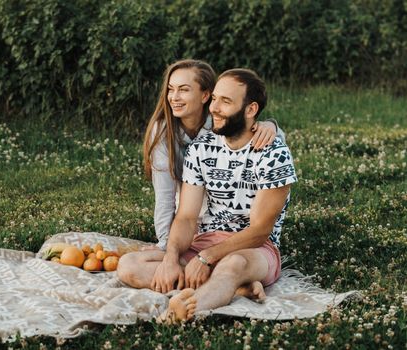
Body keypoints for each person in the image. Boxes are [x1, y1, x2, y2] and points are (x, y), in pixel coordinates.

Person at [118, 68, 297, 323]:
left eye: (226, 102)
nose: (215, 108)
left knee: (232, 265)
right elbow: (187, 216)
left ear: (250, 109)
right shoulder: (201, 148)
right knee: (129, 266)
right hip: (206, 240)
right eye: (215, 99)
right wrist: (170, 257)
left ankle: (181, 312)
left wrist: (206, 258)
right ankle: (235, 288)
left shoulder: (274, 154)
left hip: (254, 249)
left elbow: (260, 231)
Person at [142, 59, 285, 250]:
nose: (174, 97)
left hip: (227, 213)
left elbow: (268, 139)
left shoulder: (220, 123)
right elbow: (164, 195)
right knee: (136, 265)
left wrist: (271, 126)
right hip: (187, 213)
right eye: (170, 89)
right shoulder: (162, 131)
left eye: (184, 89)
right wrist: (166, 245)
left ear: (205, 95)